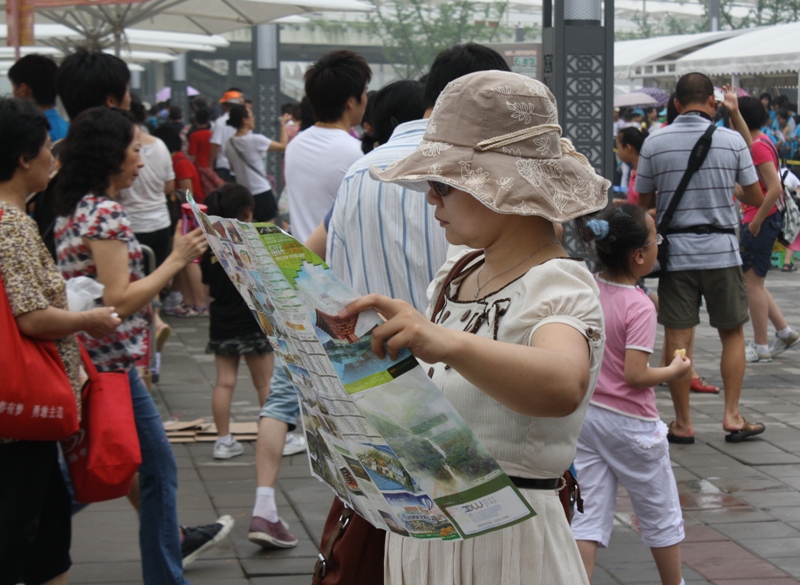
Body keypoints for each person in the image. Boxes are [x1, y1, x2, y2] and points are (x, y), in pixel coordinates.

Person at [338, 69, 608, 585]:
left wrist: (444, 342)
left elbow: (562, 382)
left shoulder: (557, 282)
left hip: (506, 547)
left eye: (442, 184)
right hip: (428, 538)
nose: (430, 199)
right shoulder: (458, 269)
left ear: (500, 187)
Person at [52, 106, 230, 584]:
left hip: (96, 363)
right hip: (110, 365)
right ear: (111, 156)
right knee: (134, 472)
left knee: (116, 470)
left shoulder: (76, 207)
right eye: (135, 150)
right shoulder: (104, 212)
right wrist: (177, 259)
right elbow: (119, 301)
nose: (141, 161)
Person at [0, 97, 120, 585]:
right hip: (20, 414)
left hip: (24, 416)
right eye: (49, 148)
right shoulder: (12, 227)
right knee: (19, 540)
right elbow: (30, 318)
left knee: (49, 546)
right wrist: (88, 318)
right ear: (25, 158)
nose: (55, 158)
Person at [636, 72, 766, 444]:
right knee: (732, 333)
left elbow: (642, 204)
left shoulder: (654, 142)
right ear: (713, 102)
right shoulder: (731, 141)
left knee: (679, 338)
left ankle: (682, 423)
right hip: (722, 252)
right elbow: (756, 197)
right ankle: (732, 416)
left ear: (676, 104)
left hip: (676, 256)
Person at [572, 205, 690, 585]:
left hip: (588, 418)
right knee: (660, 512)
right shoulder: (639, 306)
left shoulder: (588, 286)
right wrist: (675, 370)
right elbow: (636, 375)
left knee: (586, 517)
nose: (659, 244)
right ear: (640, 256)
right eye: (656, 240)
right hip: (633, 426)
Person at [199, 184, 274, 459]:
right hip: (253, 320)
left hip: (221, 321)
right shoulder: (251, 243)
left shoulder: (210, 246)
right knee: (265, 383)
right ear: (247, 212)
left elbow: (207, 290)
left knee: (224, 382)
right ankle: (278, 437)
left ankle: (223, 440)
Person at [734, 96, 800, 361]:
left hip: (760, 218)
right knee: (755, 283)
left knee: (753, 285)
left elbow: (773, 188)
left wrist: (756, 222)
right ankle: (784, 332)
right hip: (761, 216)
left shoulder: (758, 147)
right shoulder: (763, 142)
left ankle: (760, 346)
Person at [284, 50, 371, 242]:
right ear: (350, 101)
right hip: (339, 266)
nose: (366, 100)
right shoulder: (357, 153)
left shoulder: (295, 145)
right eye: (364, 92)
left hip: (304, 263)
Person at [152, 125, 208, 318]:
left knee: (191, 260)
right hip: (188, 216)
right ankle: (190, 301)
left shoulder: (180, 163)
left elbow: (188, 196)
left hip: (190, 217)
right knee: (186, 260)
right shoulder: (177, 161)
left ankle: (199, 303)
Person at [223, 104, 287, 222]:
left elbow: (232, 168)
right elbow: (283, 146)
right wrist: (282, 125)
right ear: (245, 120)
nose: (254, 119)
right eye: (251, 116)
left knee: (248, 232)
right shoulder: (255, 140)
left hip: (243, 194)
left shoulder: (228, 143)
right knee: (267, 232)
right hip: (261, 191)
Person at [8, 54, 70, 143]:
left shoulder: (27, 134)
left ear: (22, 89)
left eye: (13, 86)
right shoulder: (69, 128)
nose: (13, 93)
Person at [209, 89, 245, 182]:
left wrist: (210, 165)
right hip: (240, 167)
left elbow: (216, 145)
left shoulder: (220, 122)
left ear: (225, 106)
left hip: (223, 166)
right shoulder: (244, 121)